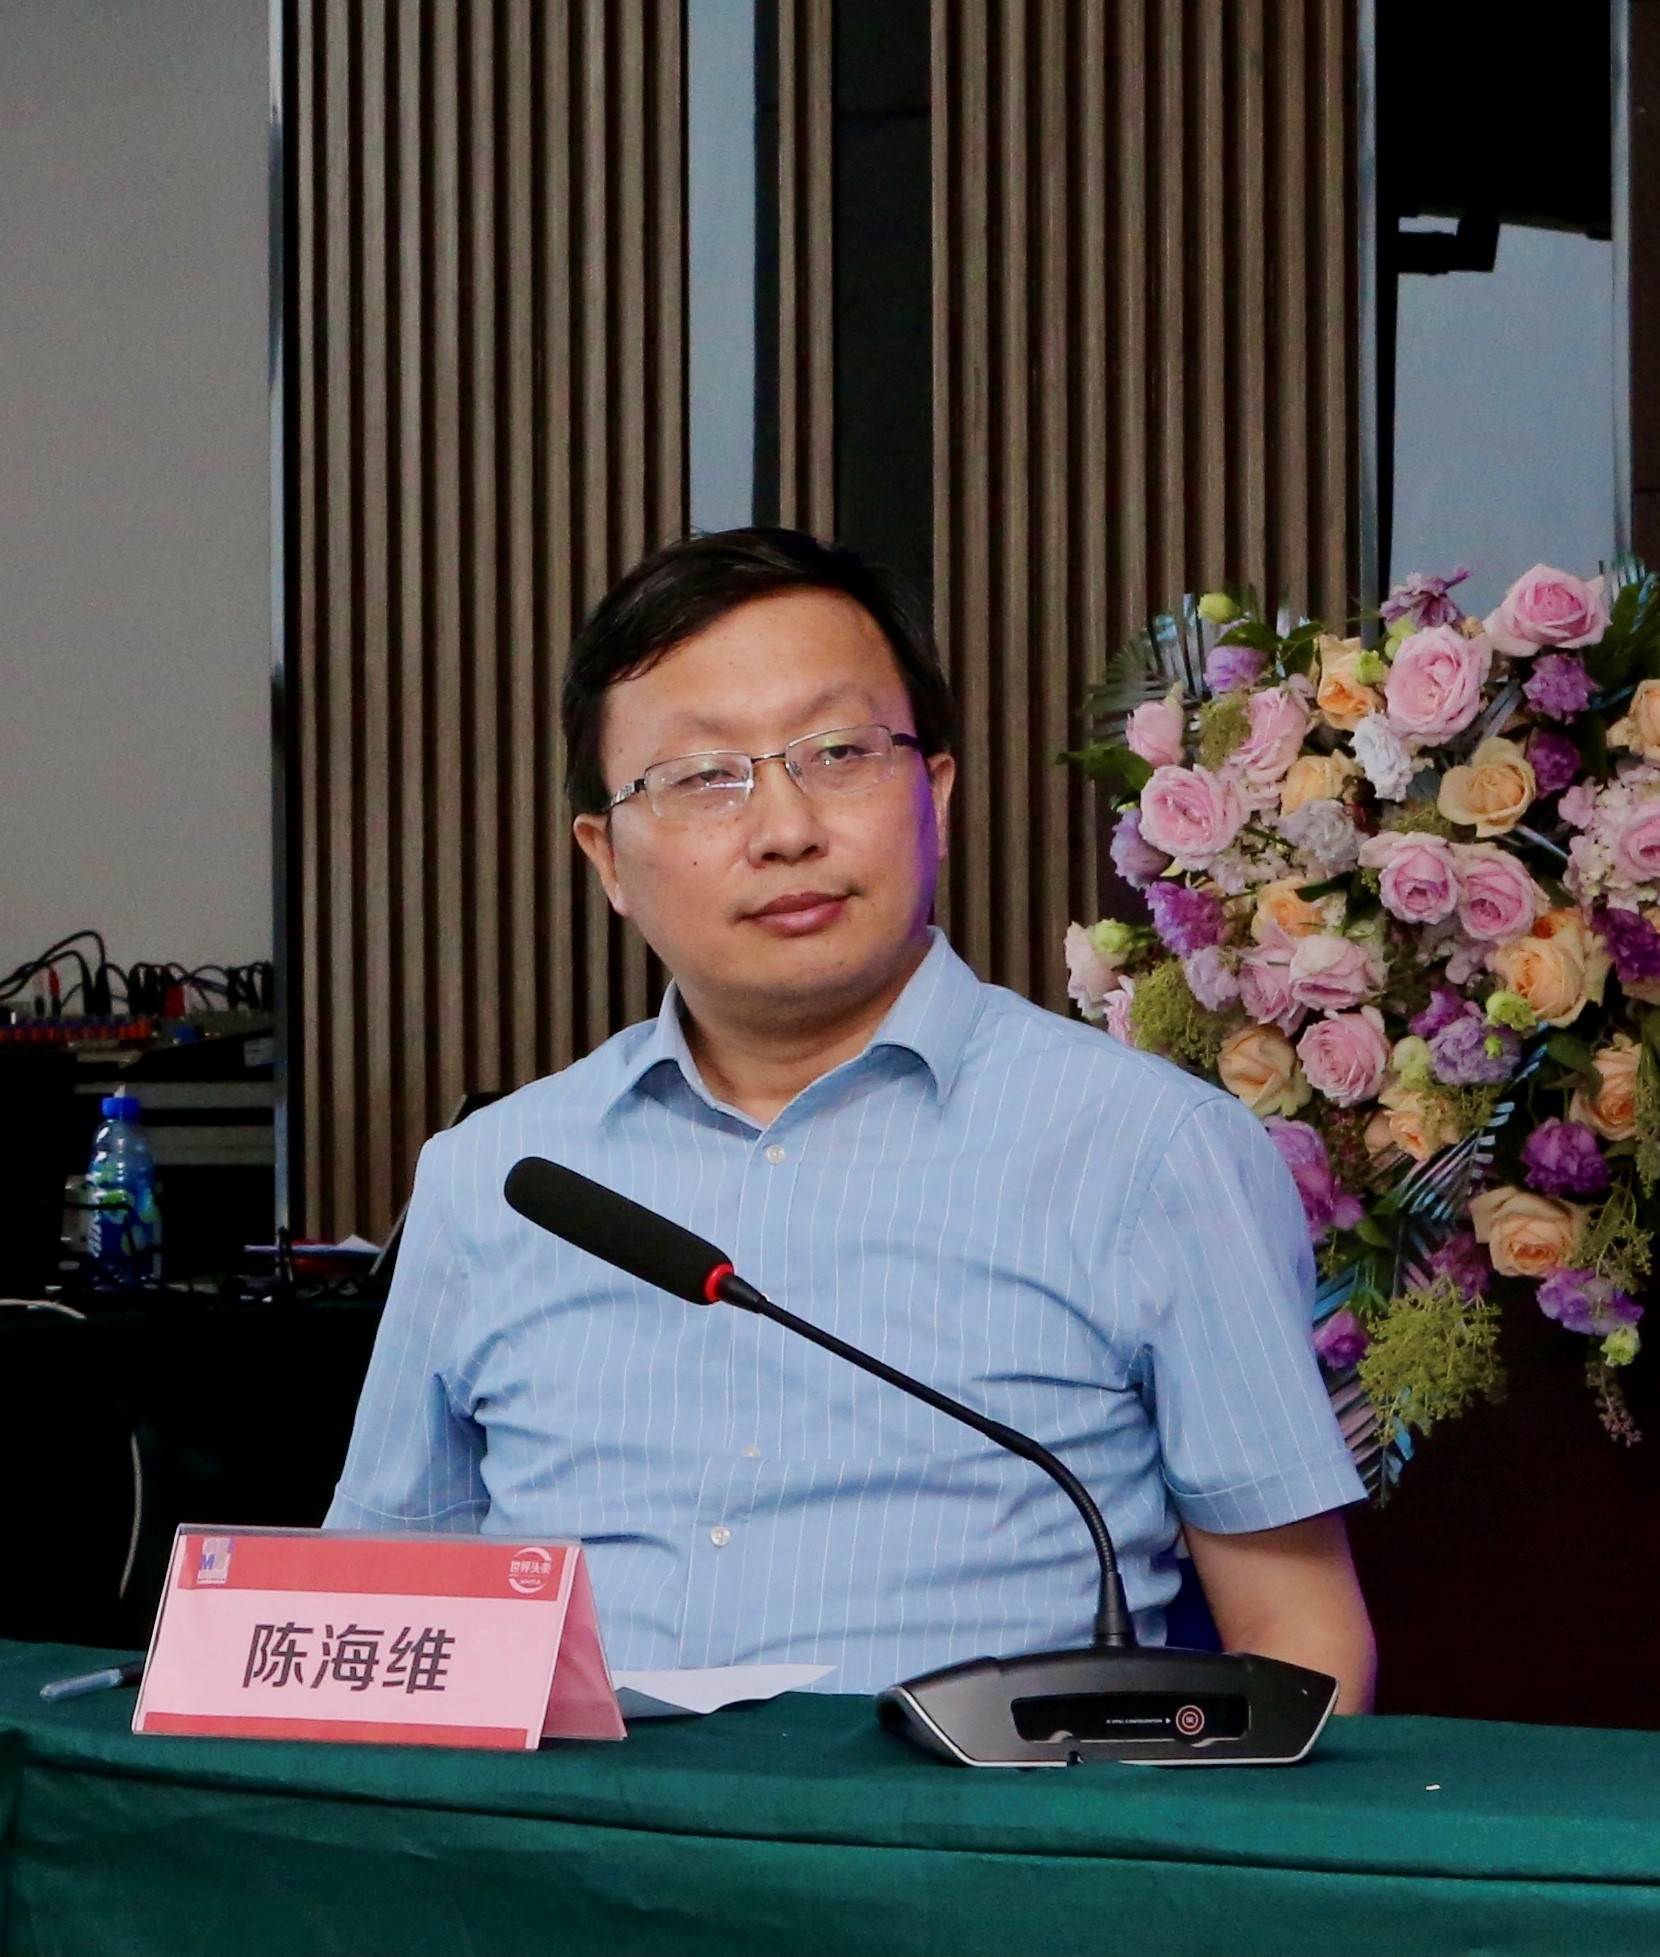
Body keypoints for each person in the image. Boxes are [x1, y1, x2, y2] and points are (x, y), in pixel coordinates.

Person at [327, 527, 1376, 1709]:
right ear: (606, 858)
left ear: (935, 793)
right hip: (565, 1823)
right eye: (702, 777)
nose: (784, 829)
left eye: (836, 753)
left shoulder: (1150, 1151)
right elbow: (373, 1611)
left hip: (976, 1822)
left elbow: (1297, 1632)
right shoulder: (494, 1179)